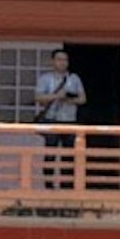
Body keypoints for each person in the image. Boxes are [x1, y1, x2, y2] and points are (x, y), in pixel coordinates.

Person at [33, 45, 87, 188]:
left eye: (65, 60)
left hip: (69, 120)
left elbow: (82, 99)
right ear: (53, 61)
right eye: (59, 59)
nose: (62, 62)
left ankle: (66, 185)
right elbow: (38, 97)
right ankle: (49, 185)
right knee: (50, 153)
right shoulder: (45, 78)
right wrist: (57, 96)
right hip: (52, 119)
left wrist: (68, 99)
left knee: (69, 155)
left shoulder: (74, 78)